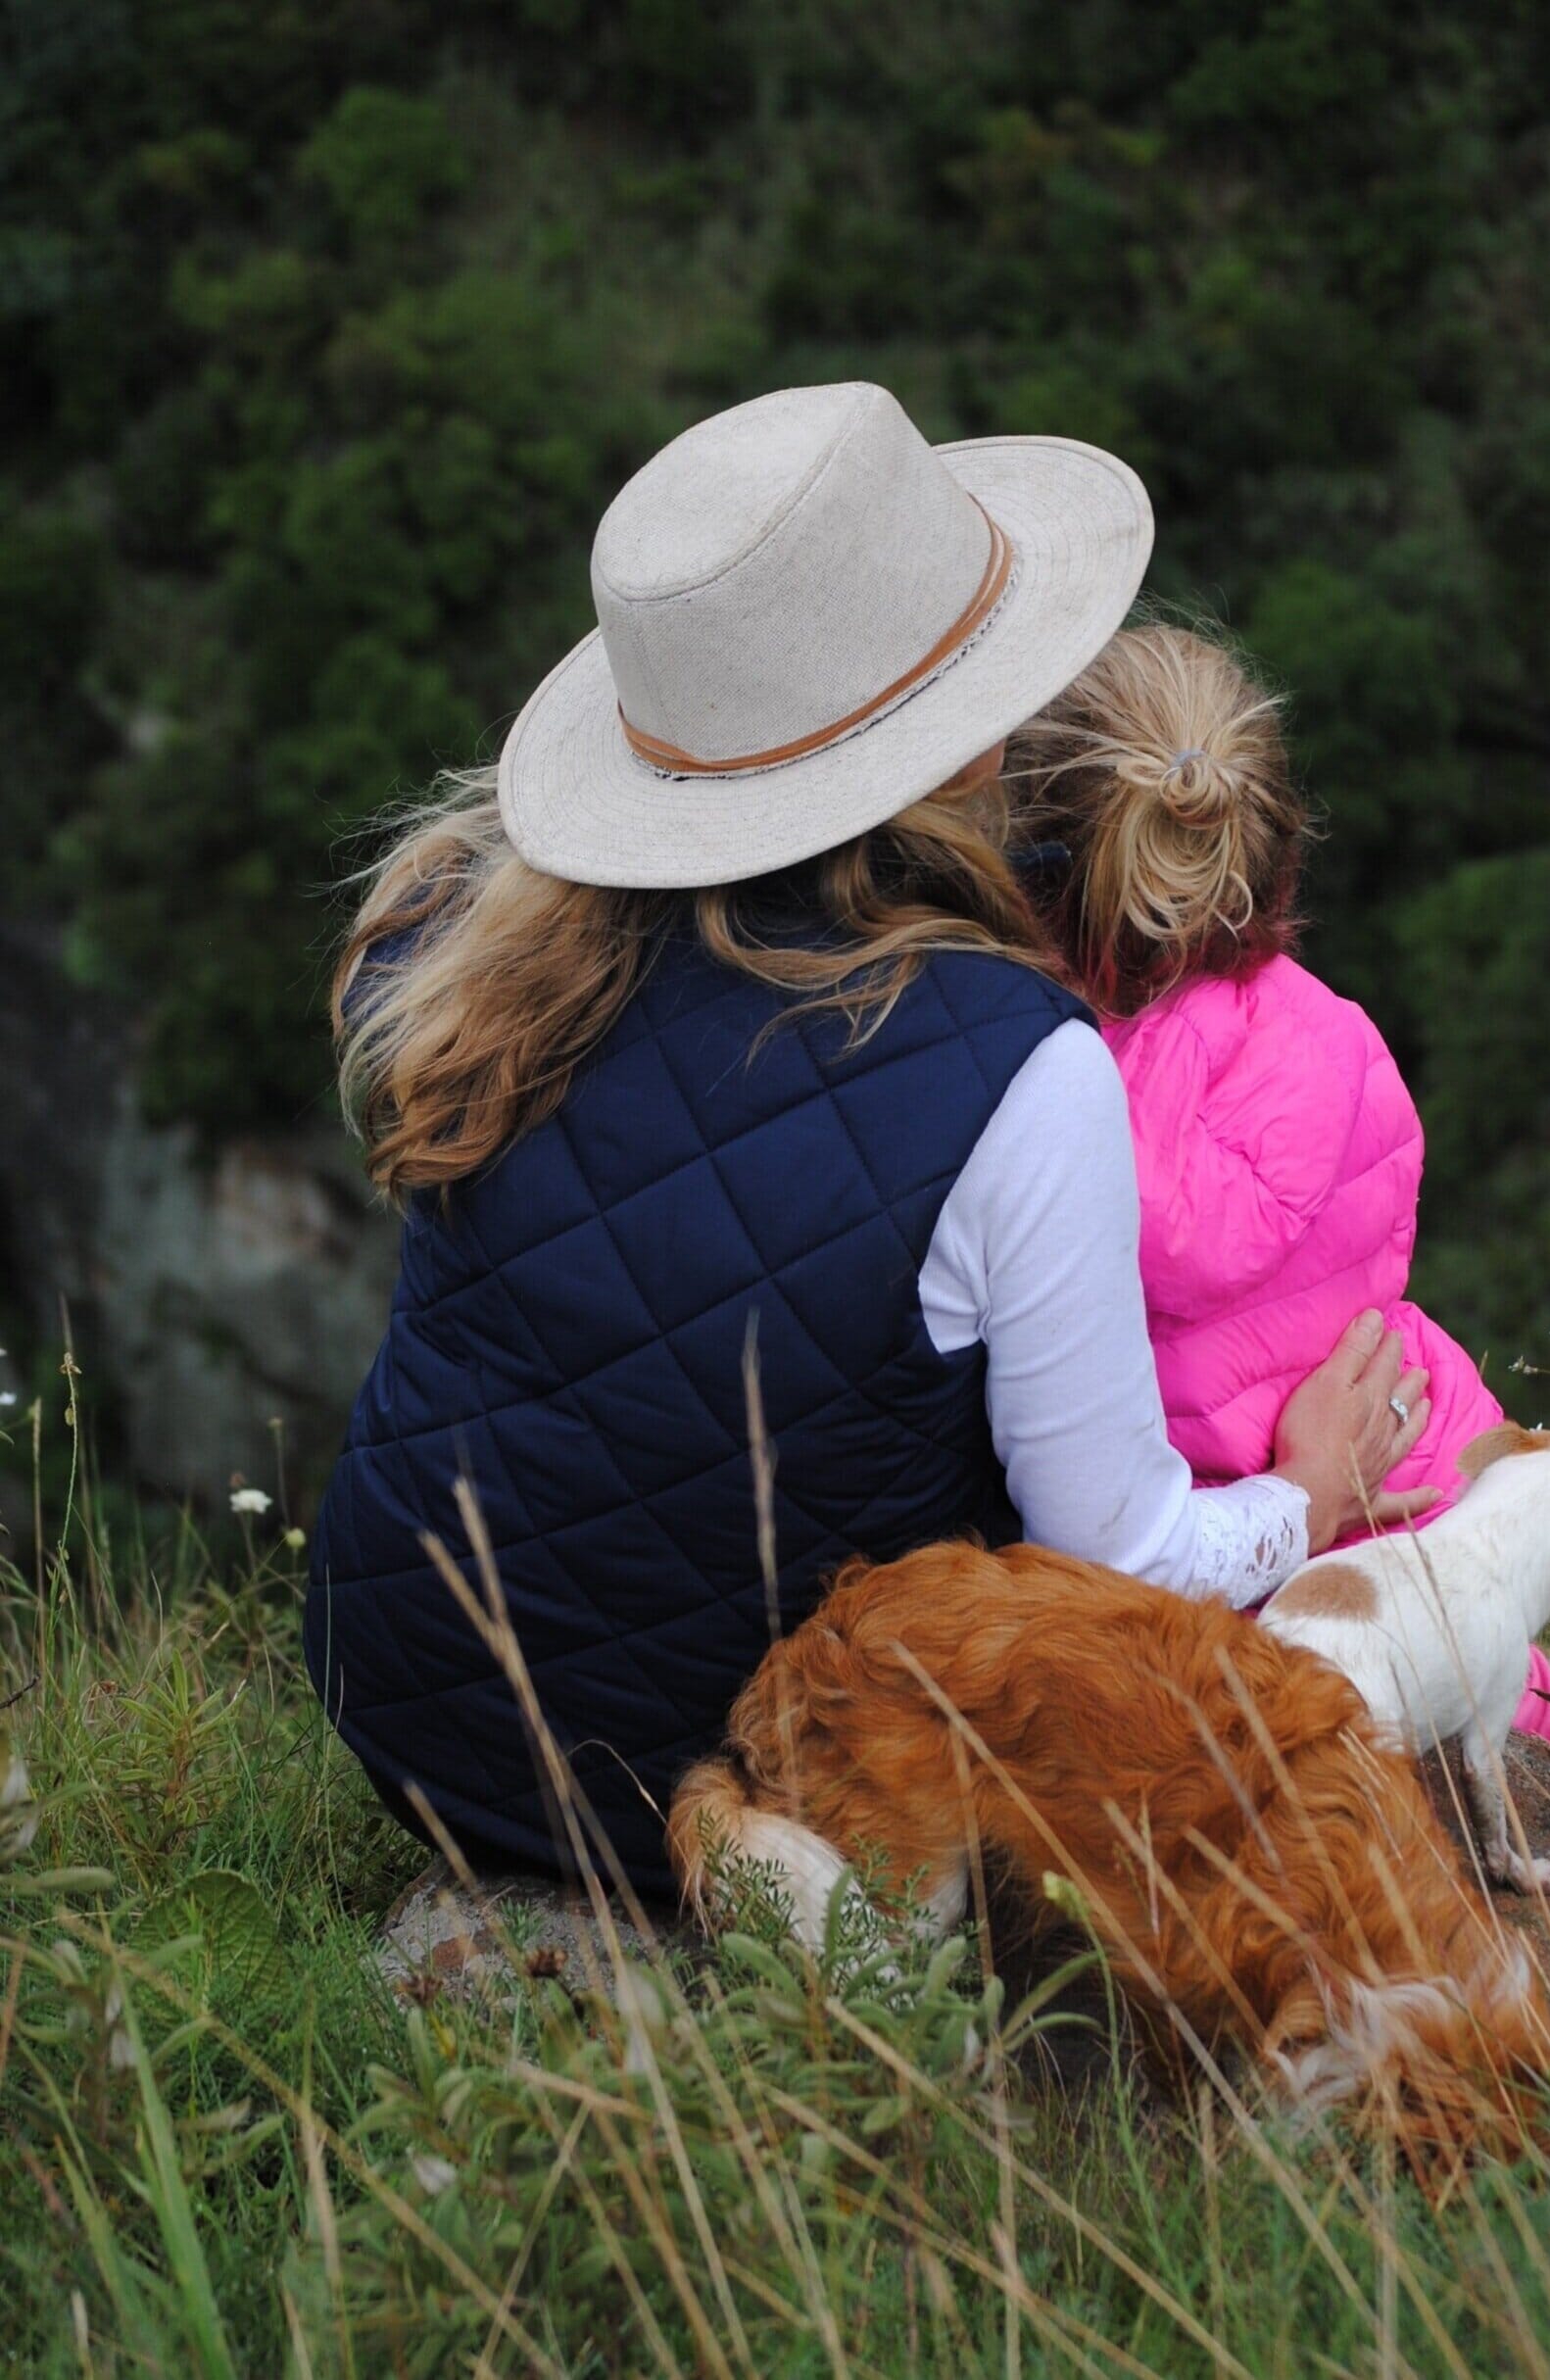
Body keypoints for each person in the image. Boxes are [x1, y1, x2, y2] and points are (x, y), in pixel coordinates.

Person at [305, 384, 1433, 1900]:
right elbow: (1113, 1548)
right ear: (973, 736)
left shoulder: (477, 932)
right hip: (743, 1764)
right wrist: (1310, 1488)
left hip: (405, 1697)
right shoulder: (1015, 1069)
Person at [1010, 622, 1550, 1919]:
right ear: (1267, 848)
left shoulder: (1042, 1090)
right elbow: (1365, 1259)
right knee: (1510, 1670)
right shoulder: (1334, 1036)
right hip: (1403, 1444)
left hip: (1230, 1544)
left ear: (1045, 863)